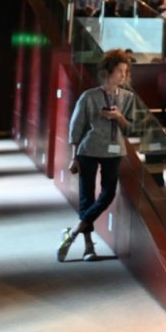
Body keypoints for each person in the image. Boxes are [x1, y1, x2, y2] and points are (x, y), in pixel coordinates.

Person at [60, 49, 142, 261]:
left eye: (126, 71)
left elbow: (131, 129)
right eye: (119, 71)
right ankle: (88, 247)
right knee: (87, 196)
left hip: (114, 151)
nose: (123, 76)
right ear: (108, 71)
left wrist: (119, 117)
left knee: (107, 194)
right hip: (88, 150)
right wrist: (73, 157)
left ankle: (75, 230)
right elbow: (75, 128)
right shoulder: (89, 96)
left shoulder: (128, 98)